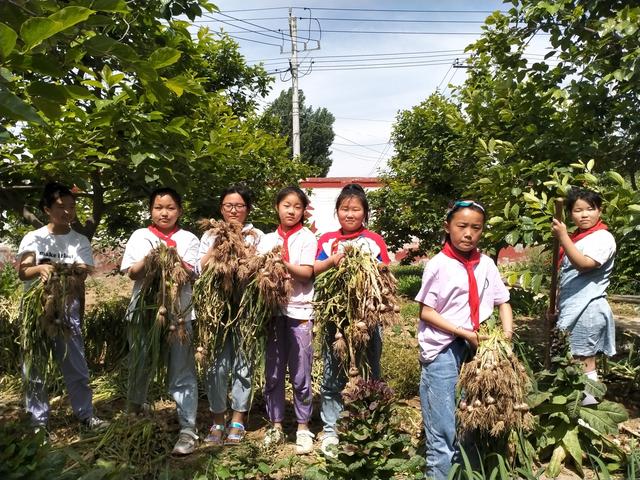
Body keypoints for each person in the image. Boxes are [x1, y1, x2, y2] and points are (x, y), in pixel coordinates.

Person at [415, 200, 513, 480]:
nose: (468, 233)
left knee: (470, 419)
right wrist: (462, 331)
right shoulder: (438, 264)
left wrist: (505, 337)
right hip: (443, 348)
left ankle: (466, 473)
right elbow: (426, 311)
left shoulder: (486, 264)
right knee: (443, 428)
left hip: (477, 351)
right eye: (462, 226)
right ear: (448, 227)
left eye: (476, 228)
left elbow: (503, 301)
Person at [17, 182, 108, 437]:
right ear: (47, 209)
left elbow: (83, 272)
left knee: (76, 363)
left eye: (72, 206)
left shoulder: (79, 240)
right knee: (34, 366)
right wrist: (40, 269)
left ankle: (86, 415)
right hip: (37, 310)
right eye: (60, 207)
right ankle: (38, 423)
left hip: (68, 310)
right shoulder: (33, 238)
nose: (67, 212)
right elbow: (24, 272)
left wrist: (66, 272)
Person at [120, 187, 199, 455]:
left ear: (180, 211)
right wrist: (151, 259)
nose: (164, 212)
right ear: (150, 210)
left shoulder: (188, 238)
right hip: (144, 313)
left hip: (178, 315)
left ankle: (188, 429)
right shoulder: (140, 236)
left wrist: (174, 259)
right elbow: (131, 273)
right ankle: (134, 414)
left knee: (182, 371)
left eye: (170, 207)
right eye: (158, 207)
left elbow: (192, 273)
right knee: (140, 365)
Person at [314, 183, 391, 456]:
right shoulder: (327, 240)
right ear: (337, 212)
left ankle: (371, 425)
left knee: (370, 369)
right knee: (333, 373)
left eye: (355, 209)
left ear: (365, 213)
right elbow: (316, 271)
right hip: (336, 321)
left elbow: (385, 272)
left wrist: (372, 267)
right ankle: (332, 430)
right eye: (344, 208)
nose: (350, 214)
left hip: (366, 320)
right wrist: (335, 260)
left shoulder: (373, 240)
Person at [198, 185, 263, 446]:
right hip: (215, 310)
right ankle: (217, 420)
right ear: (221, 209)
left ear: (248, 209)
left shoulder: (257, 236)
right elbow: (197, 269)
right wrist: (219, 249)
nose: (233, 210)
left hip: (245, 308)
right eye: (228, 206)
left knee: (243, 363)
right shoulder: (209, 236)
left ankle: (238, 419)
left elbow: (261, 270)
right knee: (216, 365)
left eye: (239, 206)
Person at [258, 186, 317, 454]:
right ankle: (276, 424)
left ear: (303, 210)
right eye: (286, 205)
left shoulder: (307, 238)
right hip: (272, 312)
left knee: (301, 370)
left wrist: (279, 263)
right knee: (273, 369)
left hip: (300, 310)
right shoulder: (266, 239)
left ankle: (303, 426)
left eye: (297, 206)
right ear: (277, 207)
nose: (291, 210)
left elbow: (305, 273)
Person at [551, 187, 616, 405]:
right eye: (578, 210)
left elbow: (584, 264)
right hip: (572, 309)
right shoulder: (577, 239)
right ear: (570, 214)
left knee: (584, 362)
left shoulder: (603, 238)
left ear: (600, 211)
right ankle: (576, 412)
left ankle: (588, 417)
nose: (584, 214)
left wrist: (562, 237)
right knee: (572, 361)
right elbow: (567, 279)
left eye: (590, 209)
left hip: (587, 310)